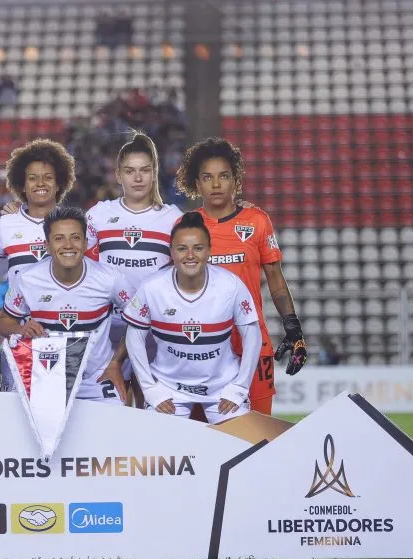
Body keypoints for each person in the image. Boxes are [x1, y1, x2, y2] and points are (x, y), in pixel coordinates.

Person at [175, 137, 307, 415]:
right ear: (197, 184)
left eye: (224, 176)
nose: (215, 184)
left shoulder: (257, 221)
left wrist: (293, 328)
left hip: (252, 341)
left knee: (258, 430)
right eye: (207, 177)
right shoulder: (185, 227)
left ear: (235, 180)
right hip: (204, 345)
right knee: (203, 439)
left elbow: (275, 278)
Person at [123, 212, 261, 423]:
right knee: (160, 453)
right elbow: (134, 337)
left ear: (209, 251)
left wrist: (239, 387)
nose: (190, 255)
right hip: (168, 388)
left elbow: (252, 334)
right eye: (181, 248)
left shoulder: (230, 285)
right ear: (171, 252)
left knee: (241, 449)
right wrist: (150, 388)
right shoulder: (152, 287)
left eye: (198, 248)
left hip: (222, 388)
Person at [85, 132, 184, 407]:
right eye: (130, 171)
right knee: (112, 411)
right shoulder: (98, 215)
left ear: (154, 173)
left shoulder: (173, 217)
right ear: (118, 175)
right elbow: (79, 262)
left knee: (152, 409)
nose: (137, 178)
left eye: (144, 170)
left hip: (154, 331)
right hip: (109, 328)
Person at [0, 207, 128, 404]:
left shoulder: (110, 278)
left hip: (95, 378)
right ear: (47, 245)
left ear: (85, 243)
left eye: (75, 237)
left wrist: (116, 363)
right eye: (59, 238)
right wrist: (21, 328)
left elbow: (139, 323)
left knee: (114, 428)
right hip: (45, 376)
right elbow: (4, 323)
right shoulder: (26, 278)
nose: (68, 245)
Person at [0, 139, 76, 287]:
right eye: (32, 178)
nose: (40, 183)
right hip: (17, 309)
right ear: (22, 185)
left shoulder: (76, 223)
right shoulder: (6, 224)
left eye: (48, 177)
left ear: (59, 184)